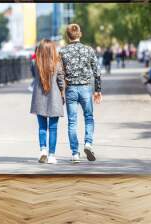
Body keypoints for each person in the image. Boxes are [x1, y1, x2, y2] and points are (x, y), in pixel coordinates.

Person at [59, 23, 102, 163]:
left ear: (67, 36)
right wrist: (98, 90)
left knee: (72, 122)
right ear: (80, 34)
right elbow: (97, 71)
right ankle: (88, 143)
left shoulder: (63, 52)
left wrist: (61, 92)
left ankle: (75, 154)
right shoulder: (88, 50)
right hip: (85, 88)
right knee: (89, 117)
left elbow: (60, 73)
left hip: (70, 89)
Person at [30, 39, 65, 164]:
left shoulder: (36, 63)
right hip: (54, 98)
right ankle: (51, 155)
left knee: (42, 127)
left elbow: (34, 75)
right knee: (53, 128)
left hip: (39, 98)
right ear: (53, 50)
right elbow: (61, 80)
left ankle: (43, 150)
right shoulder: (57, 62)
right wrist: (62, 94)